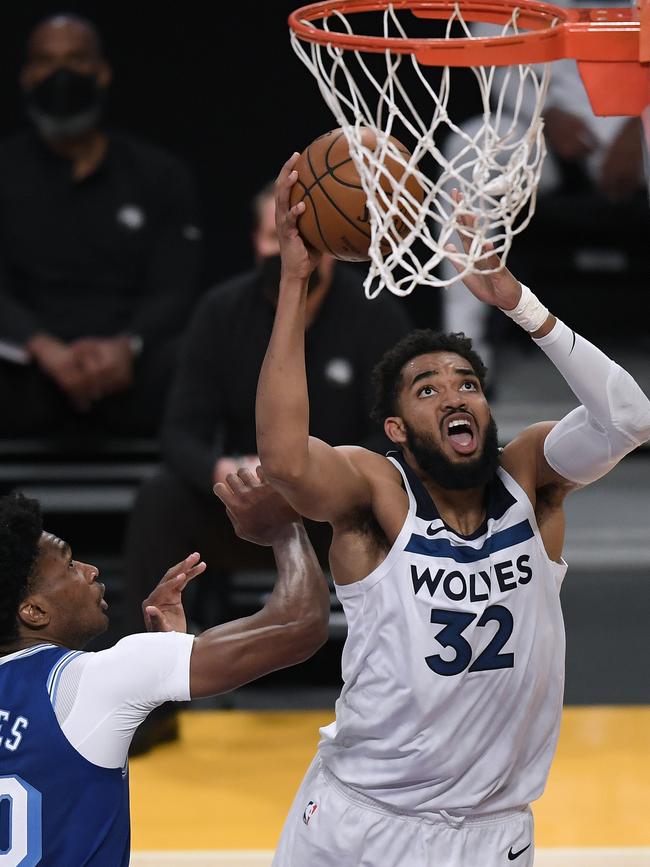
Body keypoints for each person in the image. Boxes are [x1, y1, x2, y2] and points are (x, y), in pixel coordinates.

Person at [254, 155, 650, 866]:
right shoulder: (378, 495)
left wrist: (519, 303)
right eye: (428, 390)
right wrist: (294, 280)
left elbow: (630, 419)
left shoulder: (530, 479)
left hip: (488, 832)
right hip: (358, 819)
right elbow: (285, 461)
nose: (457, 394)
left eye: (467, 381)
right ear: (398, 430)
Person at [120, 180, 412, 750]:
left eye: (306, 239)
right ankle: (146, 698)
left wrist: (317, 478)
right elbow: (180, 432)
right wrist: (226, 473)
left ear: (333, 245)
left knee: (399, 507)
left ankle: (407, 697)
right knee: (159, 498)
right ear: (257, 241)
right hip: (245, 507)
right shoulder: (222, 310)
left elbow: (393, 439)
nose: (289, 250)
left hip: (341, 515)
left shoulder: (375, 318)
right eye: (273, 234)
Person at [0, 466, 329, 866]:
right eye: (69, 566)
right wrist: (285, 526)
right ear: (33, 611)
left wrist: (161, 656)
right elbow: (299, 625)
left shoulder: (103, 682)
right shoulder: (99, 679)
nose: (90, 570)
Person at [0, 14, 202, 439]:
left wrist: (126, 346)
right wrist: (42, 347)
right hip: (27, 368)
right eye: (46, 61)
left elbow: (174, 289)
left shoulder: (159, 175)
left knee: (206, 352)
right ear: (26, 75)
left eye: (76, 59)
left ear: (102, 72)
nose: (61, 73)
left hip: (132, 370)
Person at [438, 0, 647, 374]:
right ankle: (462, 351)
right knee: (471, 150)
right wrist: (545, 110)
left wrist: (640, 124)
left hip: (638, 117)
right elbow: (497, 47)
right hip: (539, 123)